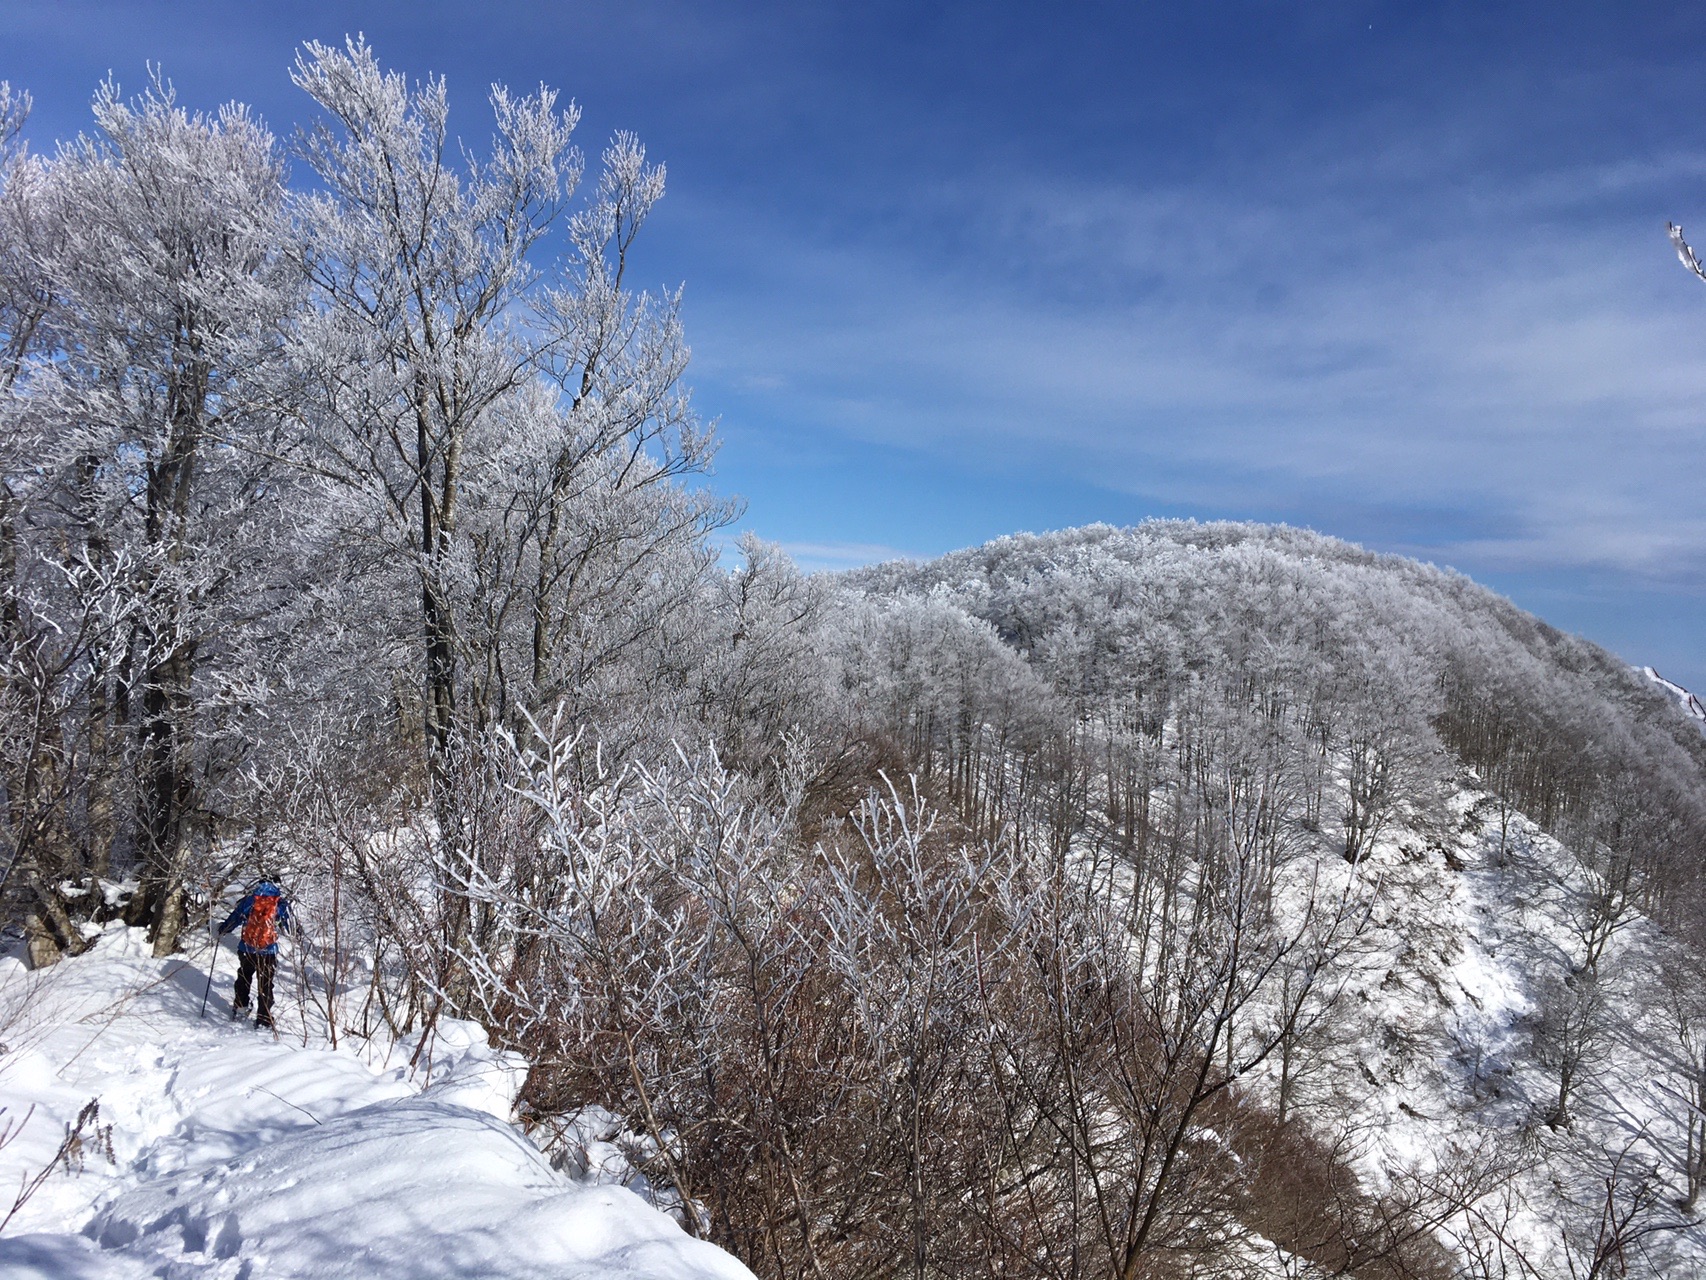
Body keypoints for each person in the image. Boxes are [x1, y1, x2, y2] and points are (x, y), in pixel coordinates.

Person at [218, 879, 294, 1029]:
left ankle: (241, 1007)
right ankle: (263, 1018)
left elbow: (235, 919)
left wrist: (223, 929)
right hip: (268, 950)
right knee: (265, 983)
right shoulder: (280, 903)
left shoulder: (250, 900)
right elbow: (292, 928)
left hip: (247, 948)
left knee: (244, 977)